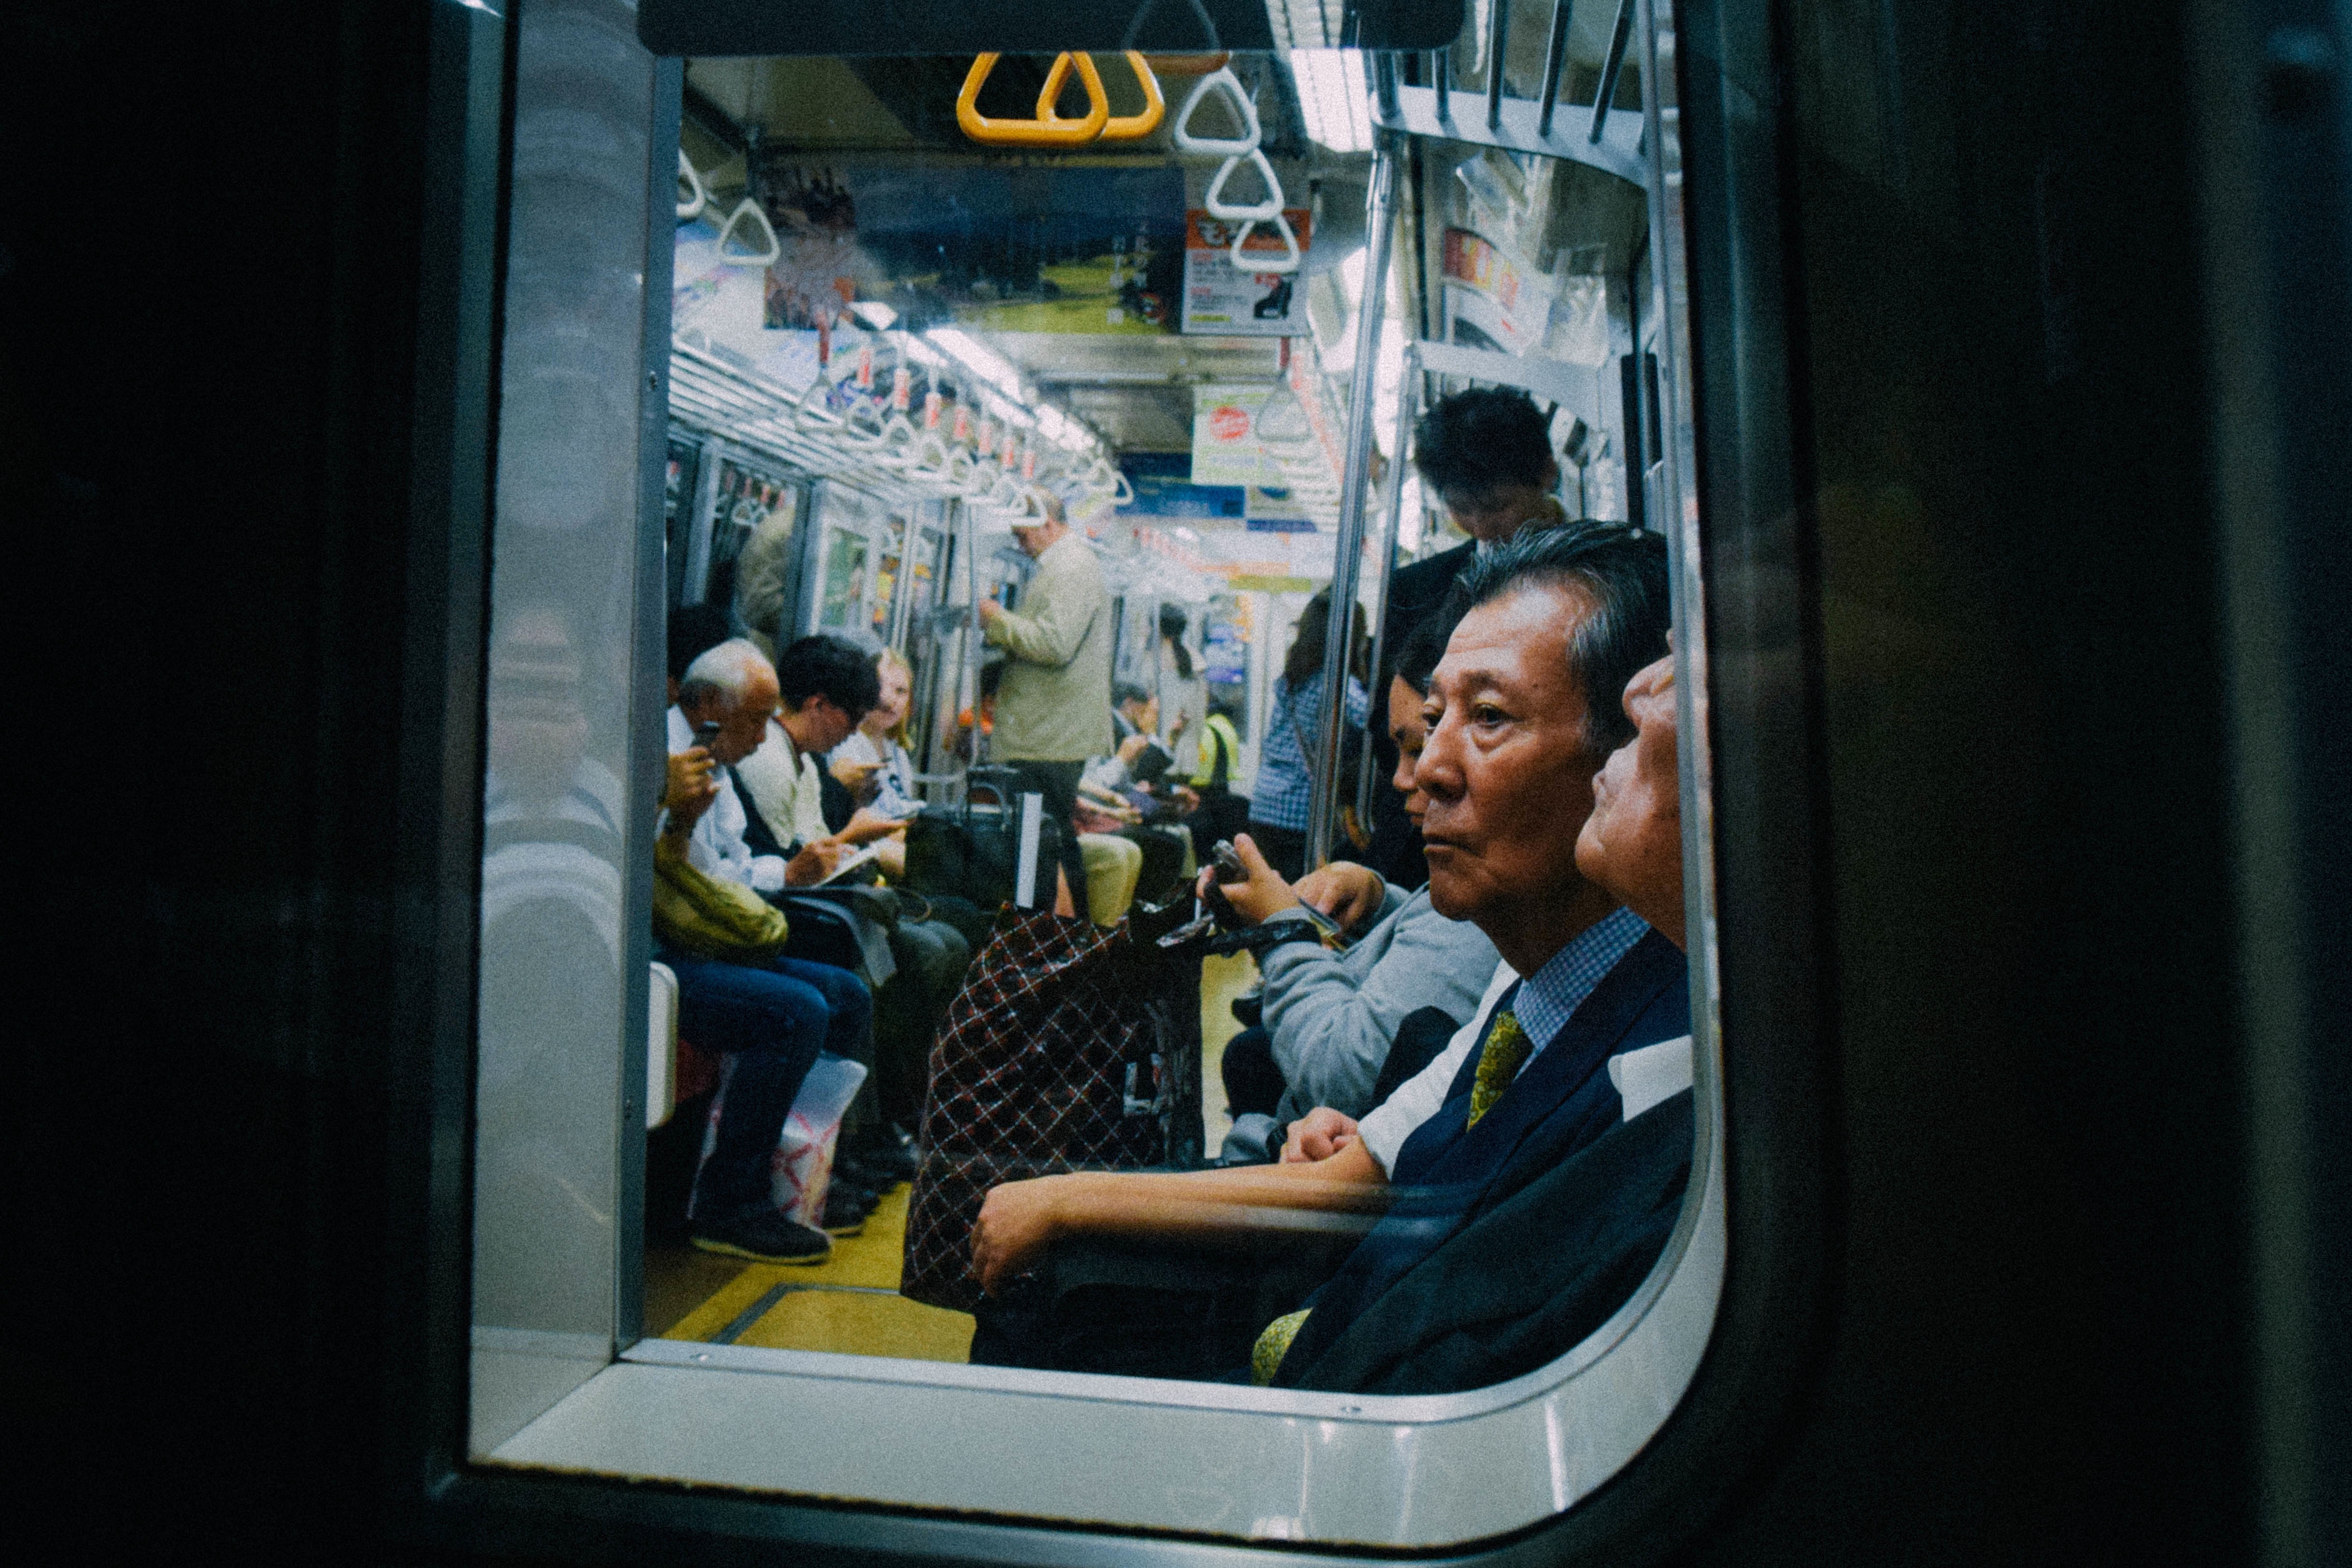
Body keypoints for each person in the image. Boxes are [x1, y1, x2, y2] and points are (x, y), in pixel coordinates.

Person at [968, 525, 1682, 1389]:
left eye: (1488, 719)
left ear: (1625, 760)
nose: (1425, 775)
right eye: (1429, 724)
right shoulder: (1532, 984)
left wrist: (1284, 930)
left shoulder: (1665, 1076)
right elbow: (1369, 1162)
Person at [1211, 608, 1501, 1133]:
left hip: (1272, 806)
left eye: (1421, 745)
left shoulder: (1488, 909)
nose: (1409, 777)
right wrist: (1379, 898)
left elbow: (1340, 1078)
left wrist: (1284, 932)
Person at [662, 639, 875, 1264]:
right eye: (754, 719)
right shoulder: (671, 763)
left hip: (712, 927)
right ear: (705, 704)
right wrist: (671, 811)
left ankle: (799, 1168)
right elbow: (666, 875)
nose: (762, 736)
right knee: (794, 1011)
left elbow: (727, 866)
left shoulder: (718, 760)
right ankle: (730, 1199)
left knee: (844, 994)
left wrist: (787, 874)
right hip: (671, 942)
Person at [1367, 387, 1574, 894]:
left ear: (1545, 473)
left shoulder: (1602, 579)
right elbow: (1387, 727)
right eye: (1462, 508)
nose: (1482, 526)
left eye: (1497, 505)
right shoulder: (1416, 592)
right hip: (1428, 846)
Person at [979, 491, 1112, 920]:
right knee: (1051, 843)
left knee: (1040, 848)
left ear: (1046, 523)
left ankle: (1051, 940)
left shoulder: (1071, 567)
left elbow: (1055, 643)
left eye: (1023, 534)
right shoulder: (1062, 566)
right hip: (1047, 735)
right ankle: (1072, 944)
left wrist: (997, 620)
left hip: (1046, 737)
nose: (1020, 544)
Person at [730, 634, 886, 887]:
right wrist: (850, 836)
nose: (855, 731)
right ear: (819, 705)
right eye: (854, 719)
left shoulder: (807, 763)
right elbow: (785, 864)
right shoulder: (770, 760)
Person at [1245, 588, 1369, 882]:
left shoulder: (1291, 678)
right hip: (1300, 810)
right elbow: (1370, 718)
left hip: (1265, 801)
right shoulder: (1334, 682)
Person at [829, 647, 926, 880]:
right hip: (864, 846)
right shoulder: (846, 745)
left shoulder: (898, 751)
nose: (890, 700)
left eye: (901, 691)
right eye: (881, 686)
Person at [1153, 603, 1207, 779]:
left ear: (1158, 629)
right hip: (1189, 756)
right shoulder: (1194, 660)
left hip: (1164, 754)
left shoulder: (1157, 661)